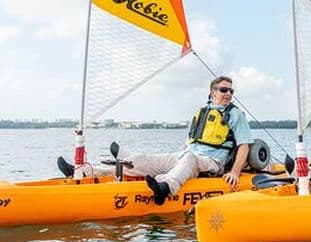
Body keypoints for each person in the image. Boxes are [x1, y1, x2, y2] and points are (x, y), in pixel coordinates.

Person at [57, 76, 254, 205]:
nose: (228, 94)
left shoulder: (236, 115)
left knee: (189, 160)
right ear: (213, 92)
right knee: (144, 159)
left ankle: (165, 187)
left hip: (212, 162)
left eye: (231, 91)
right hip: (186, 154)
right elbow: (189, 142)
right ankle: (83, 171)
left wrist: (235, 172)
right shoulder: (201, 112)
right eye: (223, 90)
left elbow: (244, 145)